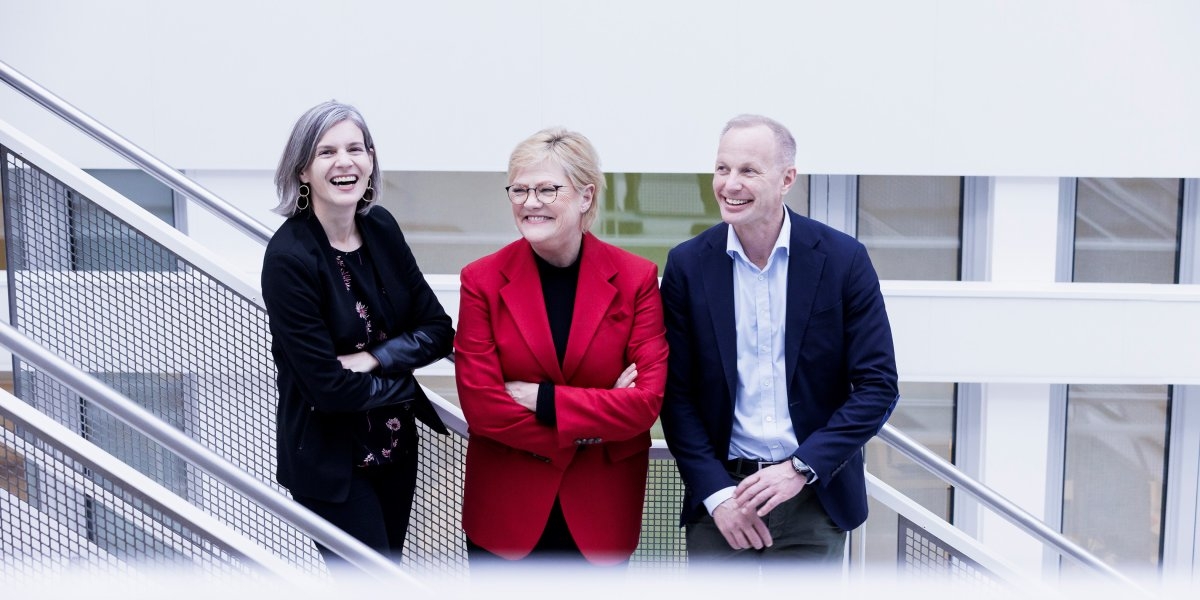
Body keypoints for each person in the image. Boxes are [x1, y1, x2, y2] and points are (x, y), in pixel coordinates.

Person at [659, 114, 899, 571]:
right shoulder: (688, 266)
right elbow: (676, 396)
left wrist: (800, 468)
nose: (730, 184)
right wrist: (717, 495)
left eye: (749, 170)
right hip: (723, 502)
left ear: (787, 178)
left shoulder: (844, 260)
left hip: (815, 496)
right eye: (722, 168)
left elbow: (878, 386)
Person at [453, 127, 668, 567]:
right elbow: (482, 406)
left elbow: (645, 404)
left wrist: (544, 399)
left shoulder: (636, 279)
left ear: (586, 196)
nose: (530, 202)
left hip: (601, 514)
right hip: (506, 514)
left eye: (547, 189)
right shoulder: (481, 280)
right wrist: (598, 417)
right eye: (520, 189)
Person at [261, 101, 453, 566]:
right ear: (303, 170)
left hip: (393, 448)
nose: (344, 162)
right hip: (331, 465)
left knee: (390, 576)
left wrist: (373, 360)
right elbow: (327, 389)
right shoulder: (289, 259)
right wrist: (405, 381)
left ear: (370, 159)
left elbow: (439, 329)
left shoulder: (380, 228)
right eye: (326, 152)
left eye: (355, 148)